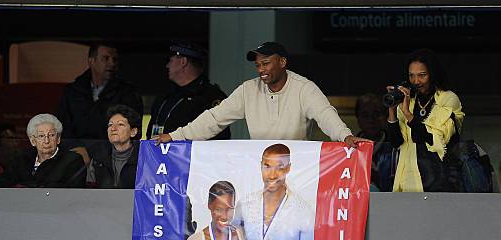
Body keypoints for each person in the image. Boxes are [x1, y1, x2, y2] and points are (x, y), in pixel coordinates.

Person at [155, 42, 366, 147]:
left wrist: (344, 136)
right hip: (260, 171)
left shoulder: (304, 88)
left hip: (297, 170)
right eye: (258, 65)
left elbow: (325, 115)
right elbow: (214, 119)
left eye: (266, 63)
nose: (261, 70)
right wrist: (175, 136)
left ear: (282, 62)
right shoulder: (249, 89)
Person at [234, 143, 314, 240]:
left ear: (288, 168)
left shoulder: (303, 211)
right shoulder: (245, 204)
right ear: (260, 166)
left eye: (280, 167)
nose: (272, 175)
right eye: (267, 166)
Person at [386, 48, 464, 192]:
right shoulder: (407, 101)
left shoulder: (447, 99)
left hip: (439, 181)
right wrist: (392, 108)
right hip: (408, 181)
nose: (416, 81)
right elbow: (396, 142)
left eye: (422, 75)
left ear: (433, 74)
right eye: (411, 76)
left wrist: (408, 115)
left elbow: (435, 140)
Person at [56, 42, 143, 154]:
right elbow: (61, 126)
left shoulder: (128, 93)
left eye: (114, 59)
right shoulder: (72, 91)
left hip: (113, 158)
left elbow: (134, 129)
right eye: (106, 58)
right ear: (91, 61)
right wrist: (76, 150)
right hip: (75, 157)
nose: (111, 63)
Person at [146, 41, 230, 141]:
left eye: (170, 61)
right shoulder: (166, 97)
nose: (167, 66)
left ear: (183, 62)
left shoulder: (211, 96)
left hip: (192, 155)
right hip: (158, 154)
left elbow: (219, 138)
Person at [0, 114, 85, 188]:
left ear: (58, 139)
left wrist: (26, 187)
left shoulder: (72, 160)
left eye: (52, 135)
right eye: (41, 136)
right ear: (33, 140)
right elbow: (0, 186)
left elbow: (71, 191)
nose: (46, 141)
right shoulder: (22, 160)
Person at [87, 105, 141, 188]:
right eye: (110, 125)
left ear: (133, 132)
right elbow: (89, 190)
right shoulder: (98, 158)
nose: (113, 128)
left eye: (120, 124)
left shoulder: (143, 158)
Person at [355, 94, 395, 192]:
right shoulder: (350, 148)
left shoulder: (395, 145)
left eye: (376, 114)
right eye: (365, 115)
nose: (371, 120)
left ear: (385, 115)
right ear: (357, 117)